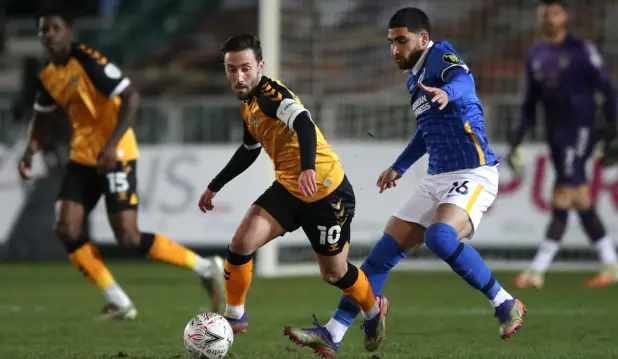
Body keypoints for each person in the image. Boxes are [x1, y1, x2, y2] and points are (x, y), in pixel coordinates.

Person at [282, 8, 527, 357]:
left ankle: (505, 303)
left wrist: (448, 94)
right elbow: (426, 133)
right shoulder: (414, 80)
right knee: (381, 256)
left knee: (439, 237)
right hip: (437, 178)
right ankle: (333, 332)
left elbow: (463, 80)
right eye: (391, 42)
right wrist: (398, 166)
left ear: (422, 39)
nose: (395, 48)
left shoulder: (440, 54)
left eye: (402, 40)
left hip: (474, 172)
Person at [18, 7, 224, 320]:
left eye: (55, 28)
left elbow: (131, 96)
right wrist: (30, 150)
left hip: (117, 155)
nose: (49, 35)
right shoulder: (47, 74)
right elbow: (43, 116)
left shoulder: (88, 61)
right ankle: (119, 302)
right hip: (83, 157)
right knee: (66, 228)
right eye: (43, 30)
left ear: (68, 32)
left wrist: (112, 145)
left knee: (127, 236)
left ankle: (205, 266)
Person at [198, 33, 386, 356]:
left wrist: (308, 167)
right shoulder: (248, 103)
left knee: (334, 273)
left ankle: (373, 310)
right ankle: (234, 317)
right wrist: (215, 185)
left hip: (327, 193)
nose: (238, 77)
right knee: (240, 244)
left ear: (260, 66)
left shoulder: (271, 95)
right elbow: (248, 149)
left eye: (245, 68)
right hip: (289, 189)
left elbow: (303, 121)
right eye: (231, 69)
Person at [509, 0, 618, 289]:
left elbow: (608, 90)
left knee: (562, 193)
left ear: (565, 16)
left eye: (555, 13)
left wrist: (612, 130)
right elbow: (530, 103)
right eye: (546, 13)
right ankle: (611, 263)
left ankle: (537, 270)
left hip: (581, 129)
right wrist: (518, 137)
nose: (550, 18)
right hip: (556, 134)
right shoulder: (535, 54)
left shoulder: (581, 49)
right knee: (579, 197)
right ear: (540, 17)